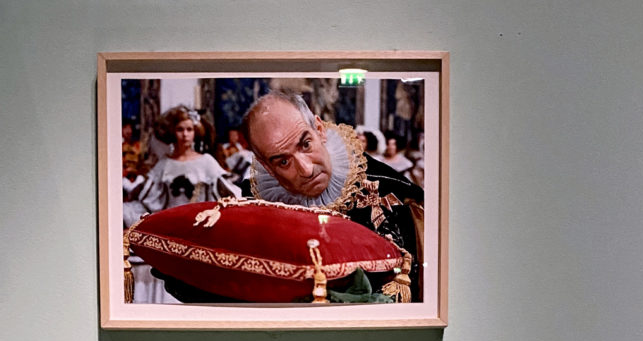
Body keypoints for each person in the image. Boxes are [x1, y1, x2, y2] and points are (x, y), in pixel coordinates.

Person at [241, 92, 424, 300]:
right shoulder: (253, 205)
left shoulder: (390, 190)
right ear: (267, 167)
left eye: (305, 144)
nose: (306, 169)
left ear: (319, 130)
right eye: (284, 162)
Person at [124, 105, 240, 301]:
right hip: (169, 230)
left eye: (189, 129)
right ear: (172, 132)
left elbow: (227, 196)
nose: (185, 135)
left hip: (198, 231)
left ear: (196, 131)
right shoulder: (164, 164)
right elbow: (150, 201)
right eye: (180, 129)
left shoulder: (206, 162)